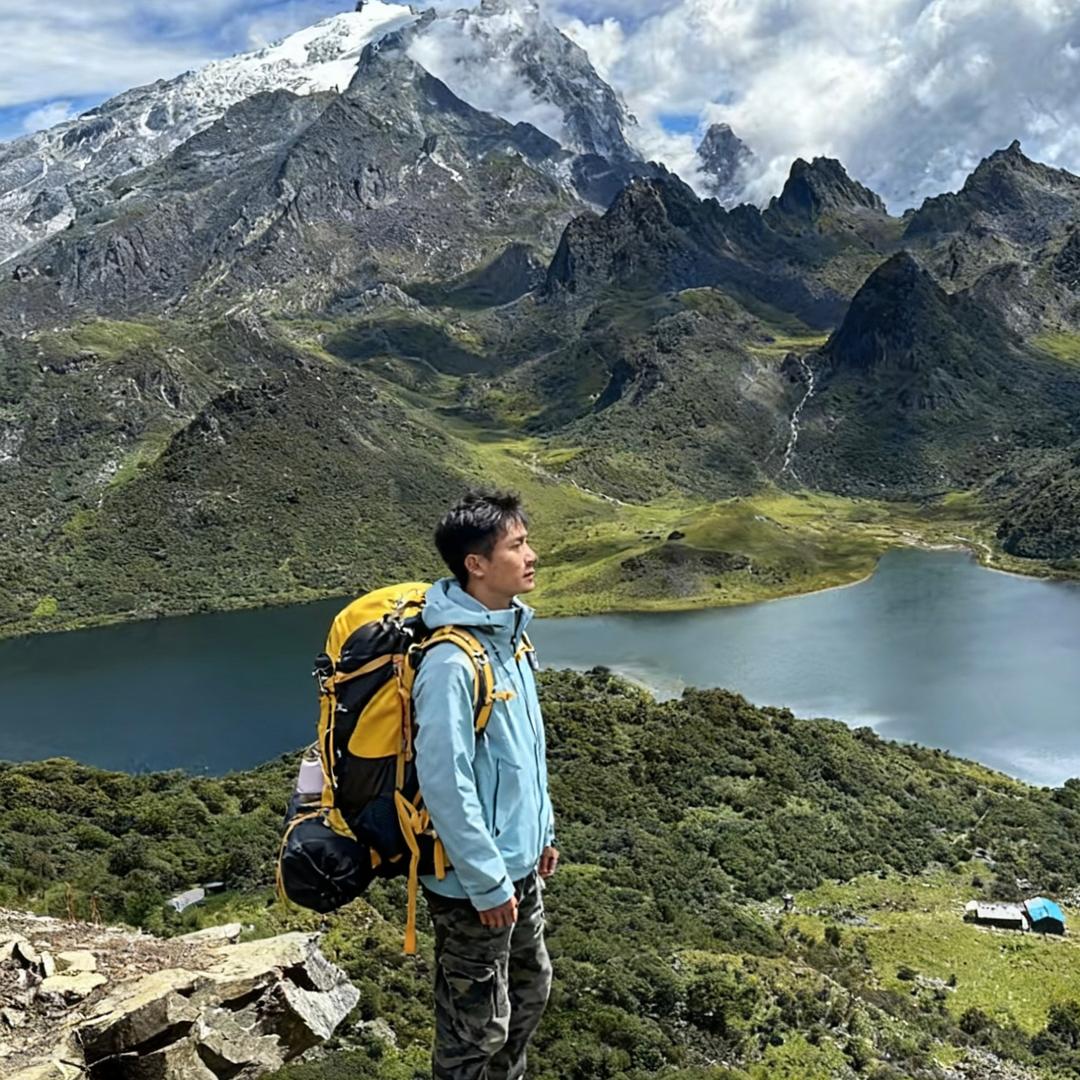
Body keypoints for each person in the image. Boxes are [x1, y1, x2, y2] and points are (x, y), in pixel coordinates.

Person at [413, 489, 558, 1080]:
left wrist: (542, 832)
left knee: (529, 992)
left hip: (518, 868)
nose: (532, 555)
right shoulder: (451, 662)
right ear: (476, 563)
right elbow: (446, 784)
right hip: (473, 885)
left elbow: (526, 752)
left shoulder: (511, 639)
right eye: (517, 545)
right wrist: (487, 881)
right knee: (474, 1031)